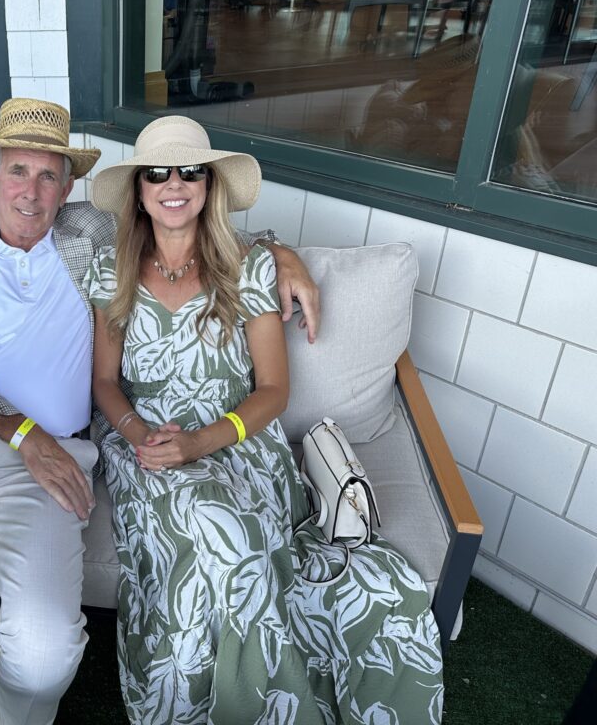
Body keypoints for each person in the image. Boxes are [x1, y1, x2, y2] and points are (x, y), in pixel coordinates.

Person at [0, 98, 321, 725]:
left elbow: (193, 224)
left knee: (45, 655)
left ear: (70, 186)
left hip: (48, 468)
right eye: (17, 172)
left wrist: (282, 255)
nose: (30, 193)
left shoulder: (96, 233)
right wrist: (23, 432)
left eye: (47, 176)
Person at [87, 115, 444, 724]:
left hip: (238, 439)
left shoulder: (249, 268)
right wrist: (137, 433)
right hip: (141, 440)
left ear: (209, 185)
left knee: (237, 545)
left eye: (191, 171)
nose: (175, 184)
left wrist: (201, 440)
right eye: (157, 173)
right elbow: (104, 383)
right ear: (139, 193)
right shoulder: (110, 267)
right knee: (208, 522)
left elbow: (275, 391)